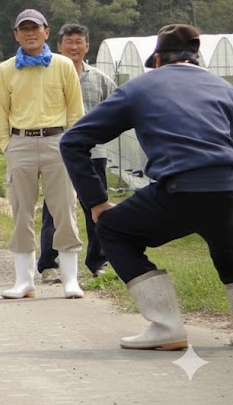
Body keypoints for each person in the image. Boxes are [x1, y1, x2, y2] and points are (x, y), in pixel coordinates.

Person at [61, 24, 233, 350]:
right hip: (228, 189)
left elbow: (73, 141)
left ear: (156, 60)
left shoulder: (141, 88)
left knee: (112, 230)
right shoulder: (222, 87)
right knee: (228, 243)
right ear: (197, 59)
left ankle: (166, 326)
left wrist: (97, 202)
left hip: (179, 190)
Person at [0, 9, 84, 300]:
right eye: (24, 29)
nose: (30, 33)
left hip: (57, 142)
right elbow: (1, 112)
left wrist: (72, 144)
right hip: (20, 142)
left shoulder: (63, 65)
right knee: (21, 212)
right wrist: (7, 145)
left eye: (36, 28)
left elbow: (75, 109)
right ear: (16, 35)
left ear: (47, 32)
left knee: (65, 210)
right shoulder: (6, 69)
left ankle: (71, 279)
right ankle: (24, 280)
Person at [37, 24, 115, 283]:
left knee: (97, 207)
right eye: (68, 42)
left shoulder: (100, 79)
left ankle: (99, 262)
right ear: (59, 46)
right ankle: (49, 263)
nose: (73, 47)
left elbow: (115, 111)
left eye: (78, 42)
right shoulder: (48, 76)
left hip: (94, 155)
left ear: (87, 46)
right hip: (57, 154)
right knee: (54, 210)